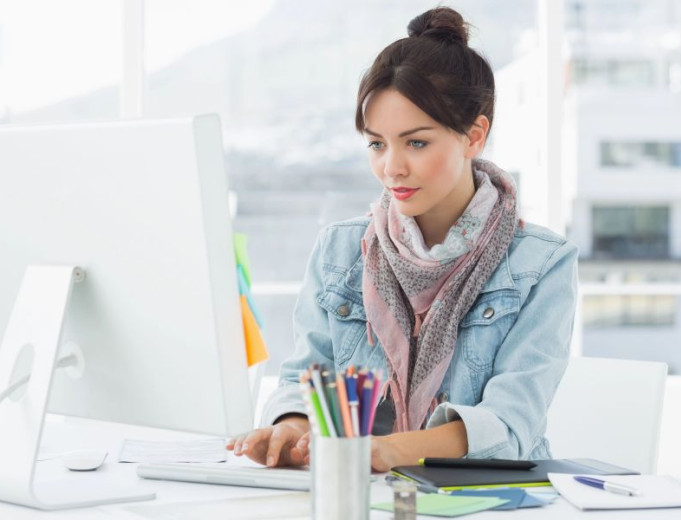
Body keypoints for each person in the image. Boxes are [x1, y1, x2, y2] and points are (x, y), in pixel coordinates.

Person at [227, 6, 578, 472]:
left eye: (416, 143)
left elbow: (511, 425)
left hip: (488, 498)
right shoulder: (339, 251)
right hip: (360, 494)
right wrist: (291, 428)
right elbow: (306, 377)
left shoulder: (541, 264)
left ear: (474, 135)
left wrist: (390, 450)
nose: (391, 167)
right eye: (376, 144)